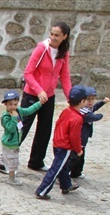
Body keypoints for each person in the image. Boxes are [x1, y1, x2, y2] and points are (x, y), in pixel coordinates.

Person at [16, 22, 72, 173]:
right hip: (32, 95)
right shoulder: (42, 48)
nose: (53, 37)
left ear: (64, 37)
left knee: (44, 130)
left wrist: (71, 98)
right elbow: (28, 73)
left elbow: (65, 76)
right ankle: (5, 160)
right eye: (52, 34)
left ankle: (36, 161)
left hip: (49, 97)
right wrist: (39, 90)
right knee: (22, 127)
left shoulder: (63, 52)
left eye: (57, 35)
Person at [34, 85, 86, 200]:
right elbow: (75, 137)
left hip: (57, 143)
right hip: (65, 147)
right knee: (56, 169)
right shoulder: (77, 118)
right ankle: (42, 191)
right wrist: (78, 150)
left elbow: (58, 124)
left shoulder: (66, 111)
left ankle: (66, 185)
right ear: (82, 101)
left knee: (63, 167)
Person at [0, 90, 42, 187]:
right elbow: (10, 128)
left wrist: (39, 104)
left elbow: (28, 111)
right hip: (10, 143)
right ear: (5, 104)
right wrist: (14, 118)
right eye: (10, 104)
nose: (13, 107)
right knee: (13, 162)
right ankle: (11, 178)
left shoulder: (18, 111)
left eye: (15, 104)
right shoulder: (5, 116)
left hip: (14, 142)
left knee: (2, 159)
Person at [70, 86, 109, 180]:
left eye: (93, 99)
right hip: (80, 138)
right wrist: (101, 116)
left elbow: (94, 108)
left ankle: (76, 172)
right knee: (75, 158)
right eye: (88, 99)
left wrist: (103, 102)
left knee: (80, 157)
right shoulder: (83, 111)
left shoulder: (87, 108)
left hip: (83, 138)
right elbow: (92, 117)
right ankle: (64, 172)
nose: (90, 102)